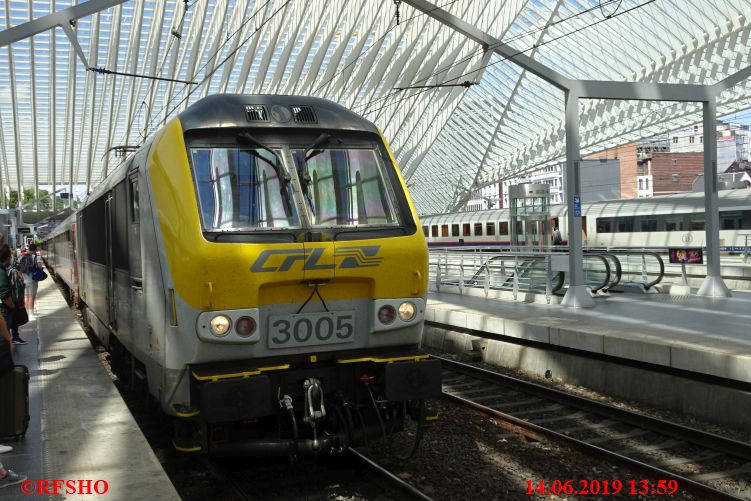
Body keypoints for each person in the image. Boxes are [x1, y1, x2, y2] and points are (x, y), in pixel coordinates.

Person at [21, 244, 40, 316]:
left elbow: (18, 268)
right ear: (35, 249)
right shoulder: (36, 257)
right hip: (33, 279)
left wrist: (22, 278)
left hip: (24, 279)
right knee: (32, 296)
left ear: (28, 249)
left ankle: (26, 312)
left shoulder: (23, 256)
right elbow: (39, 267)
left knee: (26, 296)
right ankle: (31, 313)